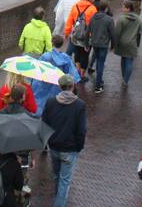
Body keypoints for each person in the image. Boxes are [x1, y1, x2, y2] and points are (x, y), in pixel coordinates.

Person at [41, 74, 87, 207]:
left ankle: (58, 199)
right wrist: (79, 146)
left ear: (59, 87)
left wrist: (48, 142)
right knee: (65, 181)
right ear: (72, 86)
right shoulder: (79, 105)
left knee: (57, 176)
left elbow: (44, 124)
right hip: (70, 149)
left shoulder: (50, 102)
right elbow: (81, 130)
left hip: (54, 147)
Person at [33, 35, 80, 114]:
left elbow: (37, 70)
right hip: (58, 85)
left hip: (45, 83)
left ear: (52, 43)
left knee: (42, 102)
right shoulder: (66, 58)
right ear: (62, 44)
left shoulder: (45, 56)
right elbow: (73, 75)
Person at [64, 0, 97, 82]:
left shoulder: (75, 6)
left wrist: (66, 33)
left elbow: (70, 20)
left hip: (75, 36)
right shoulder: (92, 8)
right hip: (87, 37)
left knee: (77, 54)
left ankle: (77, 72)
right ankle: (82, 75)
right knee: (85, 55)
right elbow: (94, 24)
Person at [88, 0, 116, 93]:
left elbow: (88, 31)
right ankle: (98, 85)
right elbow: (112, 34)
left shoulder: (92, 18)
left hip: (95, 44)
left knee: (98, 62)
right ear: (106, 8)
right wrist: (113, 45)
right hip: (103, 45)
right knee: (100, 63)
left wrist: (86, 43)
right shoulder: (109, 19)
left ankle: (99, 80)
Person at [113, 0, 142, 87]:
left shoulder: (121, 19)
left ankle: (123, 77)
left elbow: (117, 33)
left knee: (123, 59)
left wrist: (115, 44)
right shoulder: (138, 19)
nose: (122, 9)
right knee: (129, 61)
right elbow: (139, 33)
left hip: (122, 43)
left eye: (124, 7)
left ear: (129, 9)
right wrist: (137, 43)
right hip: (132, 43)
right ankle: (126, 81)